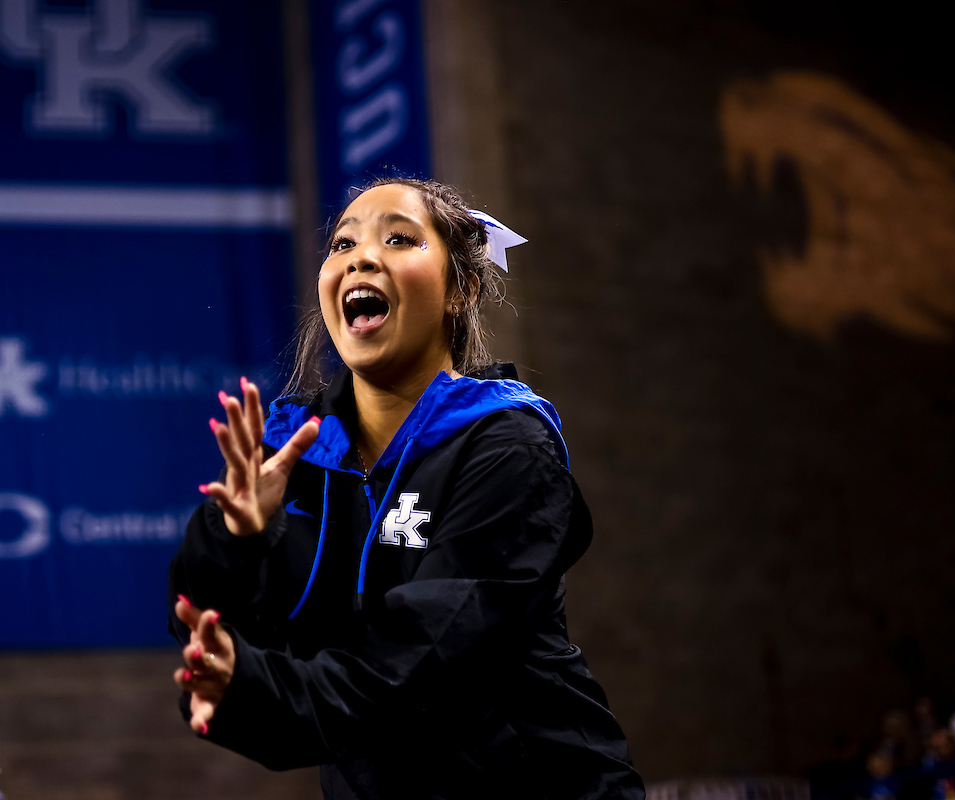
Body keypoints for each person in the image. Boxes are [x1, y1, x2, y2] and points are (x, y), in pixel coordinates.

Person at [167, 178, 645, 799]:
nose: (361, 257)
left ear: (461, 289)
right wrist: (234, 541)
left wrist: (257, 693)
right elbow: (215, 631)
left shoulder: (507, 449)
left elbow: (421, 667)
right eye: (342, 243)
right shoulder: (293, 454)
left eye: (399, 238)